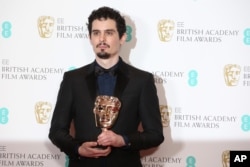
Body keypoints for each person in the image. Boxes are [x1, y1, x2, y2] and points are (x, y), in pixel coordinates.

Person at [48, 6, 164, 167]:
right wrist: (78, 148)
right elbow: (56, 132)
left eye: (109, 33)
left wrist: (123, 140)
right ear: (90, 38)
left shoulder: (142, 80)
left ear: (122, 37)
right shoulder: (72, 79)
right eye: (96, 33)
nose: (102, 39)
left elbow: (155, 134)